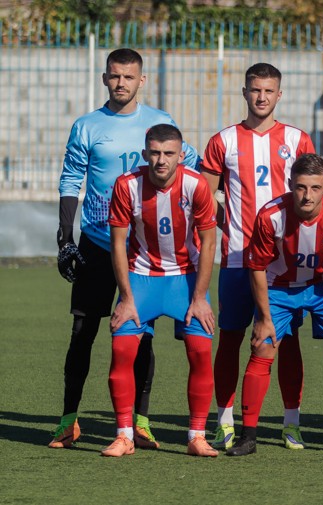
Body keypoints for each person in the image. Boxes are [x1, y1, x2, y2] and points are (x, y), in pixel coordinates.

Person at [52, 47, 199, 449]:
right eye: (115, 76)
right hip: (98, 242)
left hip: (145, 249)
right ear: (104, 78)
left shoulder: (161, 122)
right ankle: (68, 420)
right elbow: (70, 181)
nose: (121, 83)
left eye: (129, 77)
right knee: (83, 331)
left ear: (142, 80)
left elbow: (193, 167)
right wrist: (66, 238)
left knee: (142, 335)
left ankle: (141, 422)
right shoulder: (87, 126)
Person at [226, 153, 323, 457]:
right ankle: (248, 435)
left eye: (315, 188)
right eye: (300, 187)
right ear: (290, 185)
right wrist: (262, 317)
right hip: (279, 286)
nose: (307, 195)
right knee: (263, 345)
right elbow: (257, 267)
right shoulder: (270, 215)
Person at [200, 63, 315, 451]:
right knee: (230, 340)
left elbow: (310, 198)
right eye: (255, 90)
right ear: (245, 92)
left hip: (283, 265)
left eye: (268, 90)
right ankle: (225, 421)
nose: (261, 97)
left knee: (287, 342)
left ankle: (291, 423)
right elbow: (205, 201)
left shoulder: (298, 140)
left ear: (278, 94)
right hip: (236, 259)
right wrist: (231, 224)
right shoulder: (224, 141)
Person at [101, 124, 217, 458]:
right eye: (154, 153)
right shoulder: (127, 186)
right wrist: (125, 297)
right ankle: (124, 435)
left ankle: (196, 436)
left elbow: (209, 242)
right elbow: (118, 243)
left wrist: (200, 297)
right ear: (144, 154)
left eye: (168, 153)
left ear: (181, 155)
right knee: (122, 349)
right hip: (141, 278)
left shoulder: (195, 185)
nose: (161, 160)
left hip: (186, 278)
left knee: (200, 350)